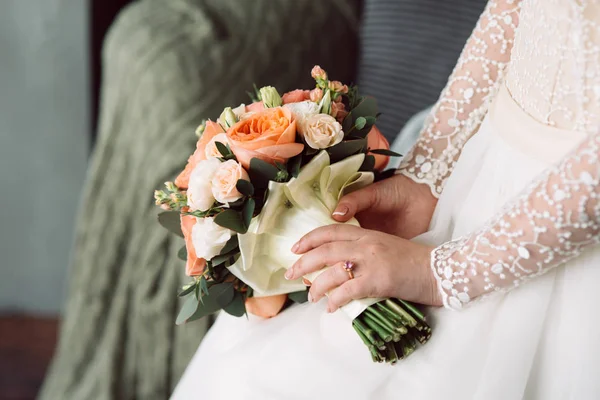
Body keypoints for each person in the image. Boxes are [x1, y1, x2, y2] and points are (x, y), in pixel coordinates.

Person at [172, 1, 600, 398]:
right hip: (479, 171)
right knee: (254, 366)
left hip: (570, 249)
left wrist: (439, 273)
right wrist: (427, 175)